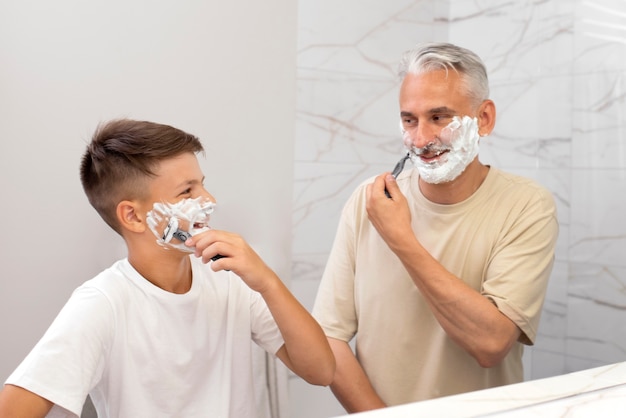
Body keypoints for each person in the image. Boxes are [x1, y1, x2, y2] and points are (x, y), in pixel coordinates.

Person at [0, 119, 335, 418]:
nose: (209, 199)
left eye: (202, 183)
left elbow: (321, 372)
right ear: (133, 216)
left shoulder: (231, 280)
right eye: (187, 191)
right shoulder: (103, 304)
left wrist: (268, 282)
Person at [312, 42, 559, 412]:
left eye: (439, 117)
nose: (421, 139)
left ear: (484, 119)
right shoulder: (369, 201)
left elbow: (490, 344)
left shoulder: (526, 206)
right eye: (409, 120)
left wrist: (401, 239)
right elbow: (329, 337)